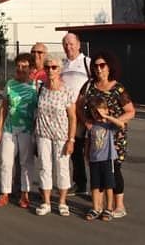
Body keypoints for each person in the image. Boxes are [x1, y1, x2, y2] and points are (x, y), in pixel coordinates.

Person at [80, 51, 135, 219]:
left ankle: (118, 206)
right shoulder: (89, 86)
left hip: (114, 136)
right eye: (96, 66)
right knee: (97, 171)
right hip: (95, 135)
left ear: (109, 67)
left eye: (102, 65)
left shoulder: (117, 88)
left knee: (114, 170)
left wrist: (114, 121)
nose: (99, 69)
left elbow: (131, 111)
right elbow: (79, 105)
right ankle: (99, 206)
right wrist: (86, 122)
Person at [0, 53, 38, 209]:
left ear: (31, 68)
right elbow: (4, 107)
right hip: (9, 129)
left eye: (24, 66)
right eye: (18, 66)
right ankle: (5, 192)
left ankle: (25, 193)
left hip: (27, 130)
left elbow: (38, 111)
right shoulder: (10, 84)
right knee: (6, 162)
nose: (20, 69)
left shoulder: (35, 86)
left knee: (26, 162)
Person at [34, 57, 76, 216]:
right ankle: (46, 202)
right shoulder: (41, 88)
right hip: (43, 133)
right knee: (45, 167)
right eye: (47, 67)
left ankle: (62, 202)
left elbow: (72, 117)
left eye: (54, 67)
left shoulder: (67, 91)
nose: (50, 70)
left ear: (59, 70)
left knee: (62, 167)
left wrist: (71, 140)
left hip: (61, 135)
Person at [84, 96, 123, 221]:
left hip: (107, 159)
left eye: (99, 111)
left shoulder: (109, 125)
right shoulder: (91, 126)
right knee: (95, 185)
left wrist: (106, 116)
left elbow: (121, 124)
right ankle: (96, 208)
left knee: (108, 185)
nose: (97, 115)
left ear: (106, 110)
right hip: (94, 159)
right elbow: (88, 142)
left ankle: (108, 208)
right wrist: (87, 155)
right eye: (94, 112)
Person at [61, 32, 91, 196]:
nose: (68, 47)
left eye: (71, 43)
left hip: (85, 114)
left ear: (79, 45)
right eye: (65, 44)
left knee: (92, 152)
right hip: (68, 114)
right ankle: (80, 184)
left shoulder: (87, 63)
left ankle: (98, 188)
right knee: (75, 149)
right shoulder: (63, 65)